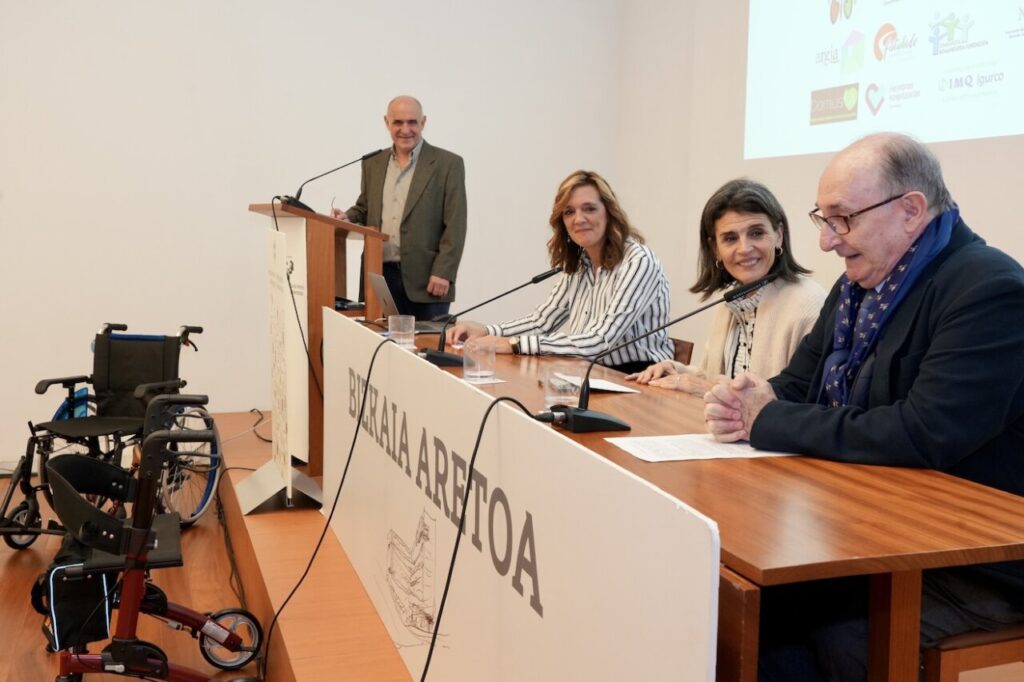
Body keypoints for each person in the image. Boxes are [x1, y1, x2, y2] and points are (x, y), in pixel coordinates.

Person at [704, 133, 1024, 681]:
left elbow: (924, 432)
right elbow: (798, 383)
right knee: (735, 600)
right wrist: (746, 401)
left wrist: (768, 418)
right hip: (874, 524)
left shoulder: (988, 289)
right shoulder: (856, 289)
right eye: (823, 220)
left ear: (911, 211)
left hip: (974, 558)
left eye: (842, 219)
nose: (828, 242)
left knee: (821, 625)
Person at [445, 170, 674, 374]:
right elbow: (542, 322)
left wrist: (514, 344)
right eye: (569, 212)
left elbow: (600, 340)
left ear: (610, 213)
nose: (579, 219)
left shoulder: (638, 261)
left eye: (589, 209)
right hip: (590, 373)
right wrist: (485, 330)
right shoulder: (579, 263)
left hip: (637, 380)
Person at [625, 179, 825, 395]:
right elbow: (716, 377)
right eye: (730, 238)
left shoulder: (809, 304)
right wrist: (675, 371)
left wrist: (705, 388)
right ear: (715, 249)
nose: (744, 248)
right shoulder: (732, 301)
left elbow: (800, 397)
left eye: (756, 233)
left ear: (779, 235)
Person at [332, 95, 467, 320]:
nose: (406, 129)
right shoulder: (372, 163)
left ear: (423, 122)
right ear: (387, 123)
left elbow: (456, 223)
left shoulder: (448, 164)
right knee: (379, 350)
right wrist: (348, 217)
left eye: (412, 122)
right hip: (379, 276)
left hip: (427, 281)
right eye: (398, 122)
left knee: (424, 352)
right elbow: (365, 207)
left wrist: (443, 272)